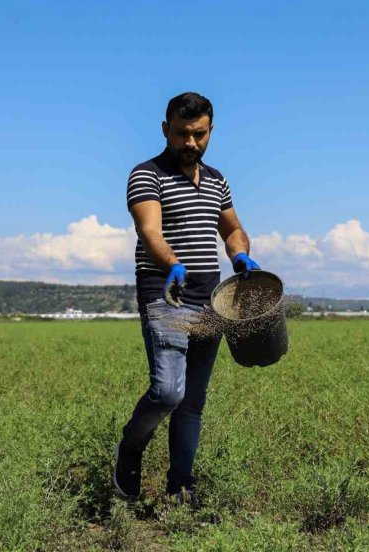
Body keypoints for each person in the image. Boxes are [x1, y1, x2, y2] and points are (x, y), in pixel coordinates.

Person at [114, 92, 261, 504]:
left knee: (192, 402)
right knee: (167, 392)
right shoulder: (147, 174)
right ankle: (129, 448)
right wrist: (172, 263)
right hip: (167, 295)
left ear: (211, 130)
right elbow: (150, 231)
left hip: (211, 301)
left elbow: (232, 228)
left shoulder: (217, 181)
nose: (190, 143)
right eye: (181, 134)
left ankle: (180, 488)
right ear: (166, 130)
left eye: (198, 135)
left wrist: (240, 254)